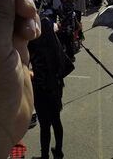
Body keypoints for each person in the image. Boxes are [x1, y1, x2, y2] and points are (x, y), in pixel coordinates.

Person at [29, 16, 67, 159]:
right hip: (56, 86)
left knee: (45, 125)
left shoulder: (33, 44)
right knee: (56, 120)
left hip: (42, 89)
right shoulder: (54, 44)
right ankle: (58, 150)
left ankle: (45, 156)